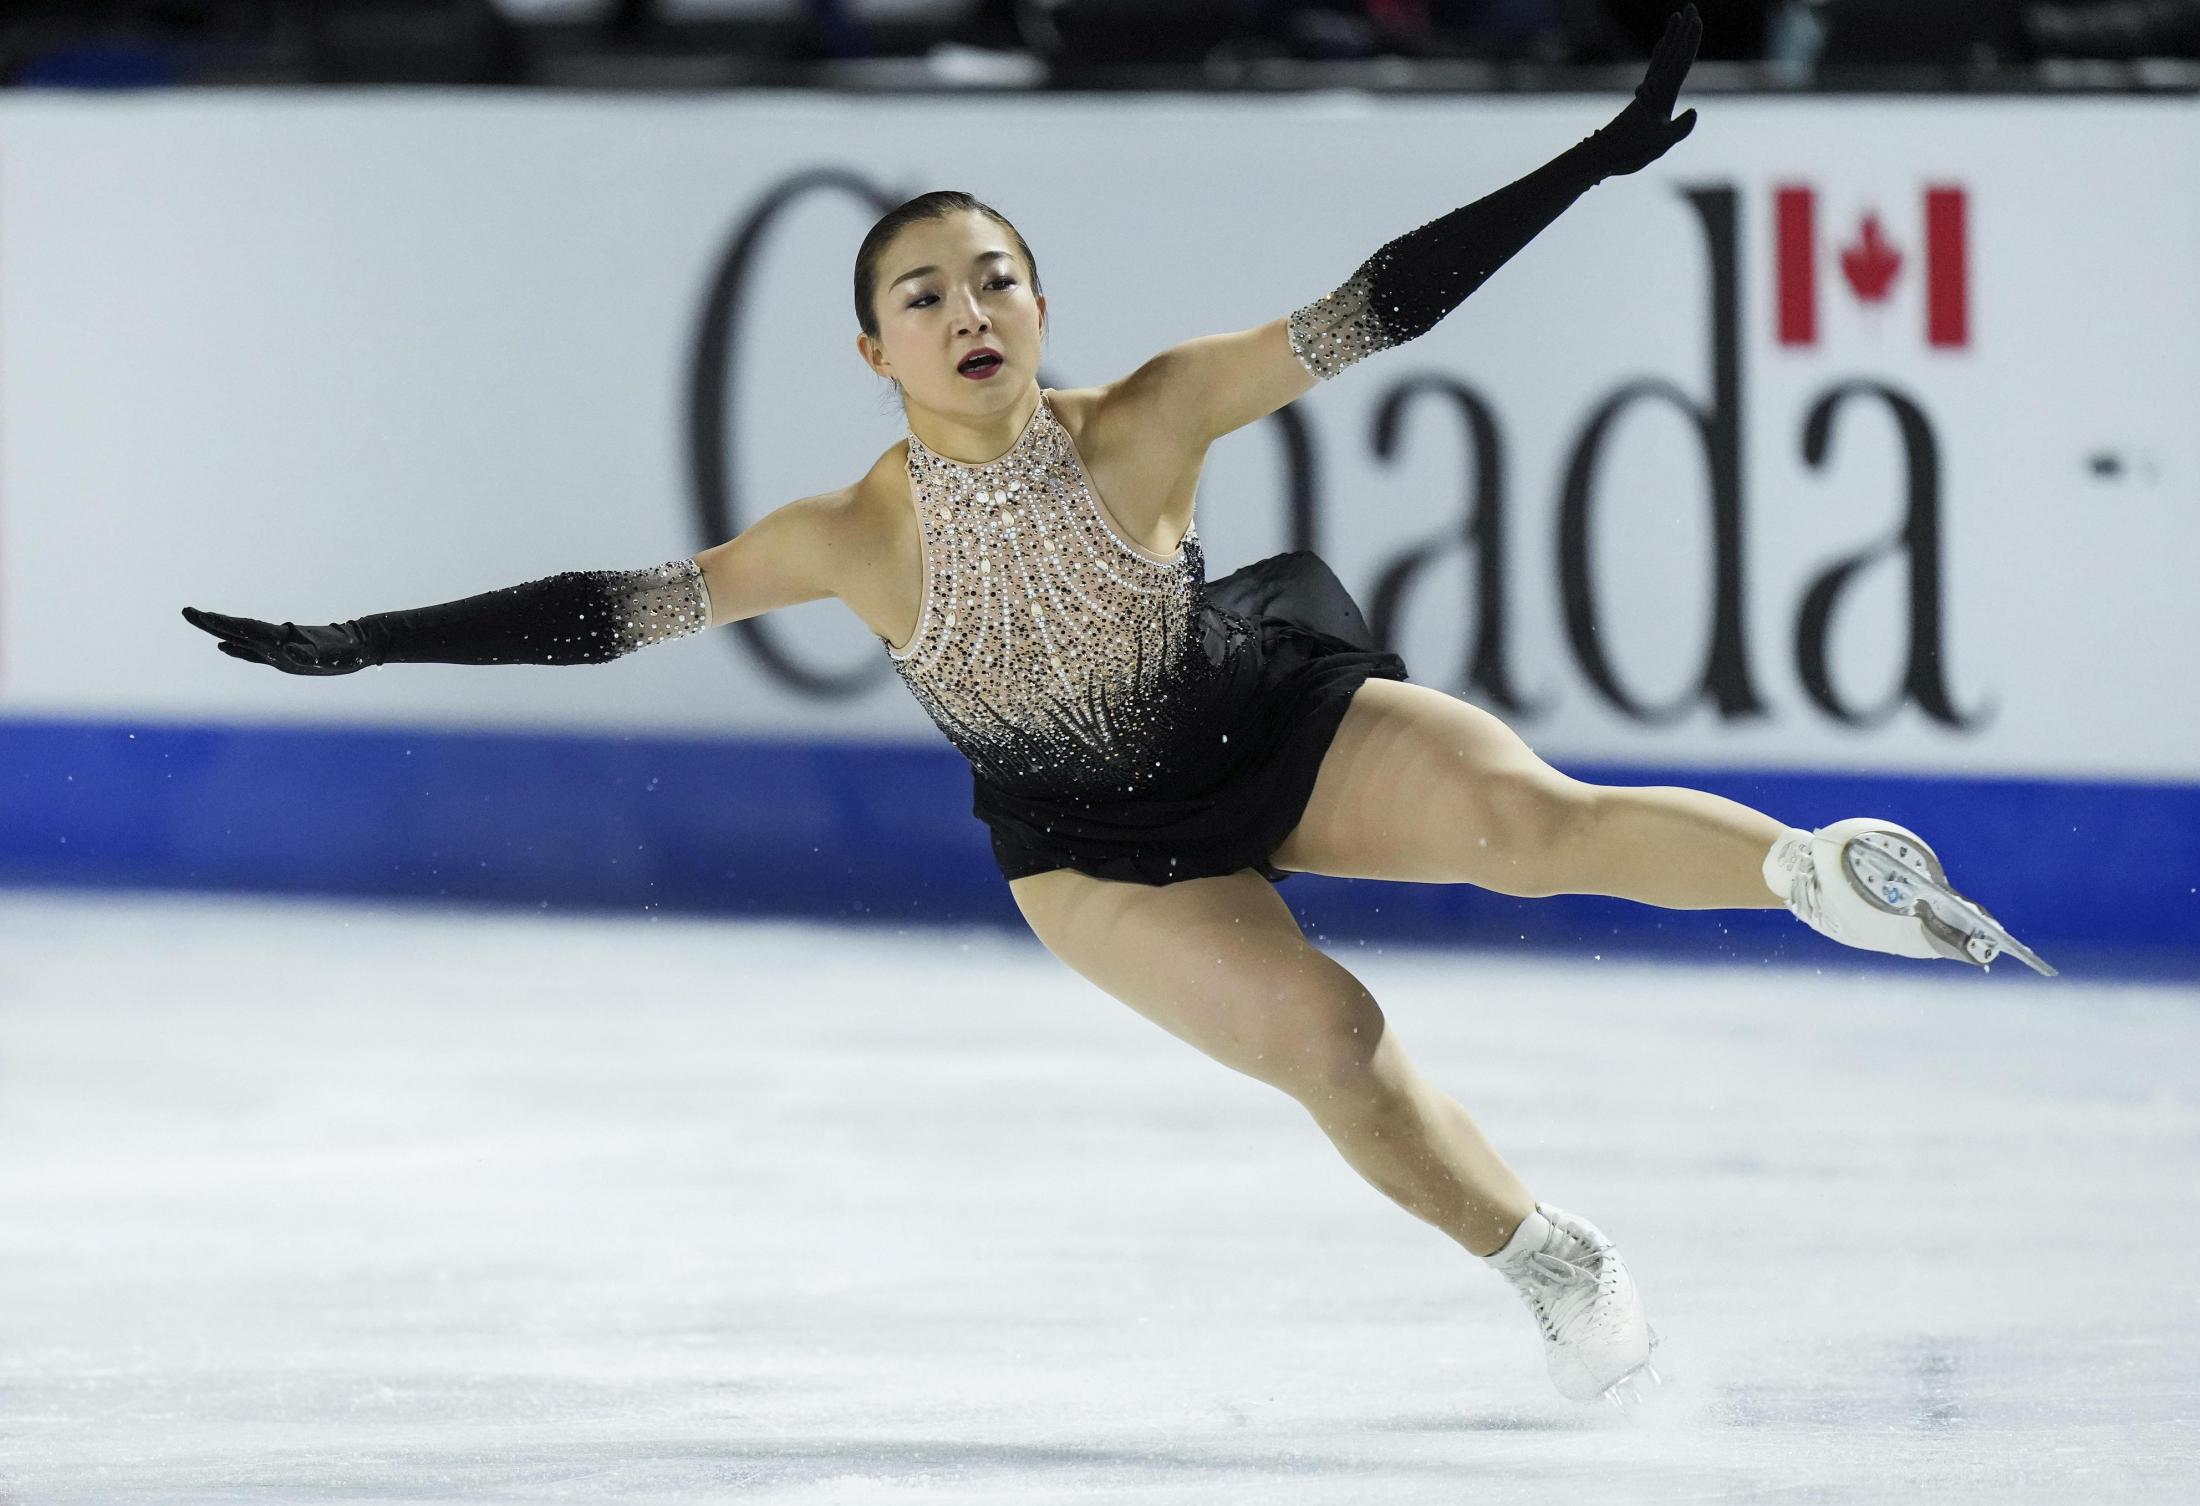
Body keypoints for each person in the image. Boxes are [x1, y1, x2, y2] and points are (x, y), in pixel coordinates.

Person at [181, 5, 2050, 1406]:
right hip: (1100, 856)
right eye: (923, 293)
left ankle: (1819, 873)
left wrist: (1584, 162)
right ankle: (1551, 1258)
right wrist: (365, 641)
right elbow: (608, 612)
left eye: (994, 275)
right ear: (875, 347)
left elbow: (1376, 304)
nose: (967, 305)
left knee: (1528, 825)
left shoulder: (1152, 414)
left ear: (1040, 301)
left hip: (1261, 715)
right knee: (1331, 1032)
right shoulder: (847, 535)